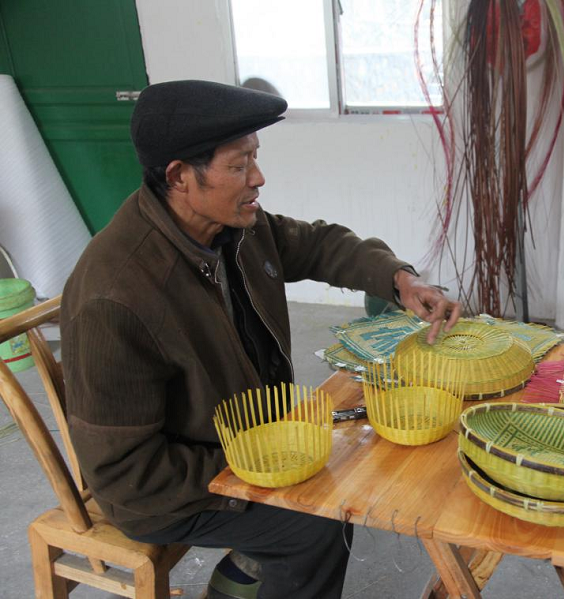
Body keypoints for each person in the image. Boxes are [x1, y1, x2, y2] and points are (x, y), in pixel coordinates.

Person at [60, 80, 461, 599]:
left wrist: (399, 279)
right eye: (238, 165)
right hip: (168, 491)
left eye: (255, 157)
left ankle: (241, 577)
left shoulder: (232, 226)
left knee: (364, 453)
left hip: (248, 437)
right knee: (316, 522)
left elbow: (318, 244)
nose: (258, 177)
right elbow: (126, 475)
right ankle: (261, 565)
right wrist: (261, 464)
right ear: (179, 176)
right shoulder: (115, 297)